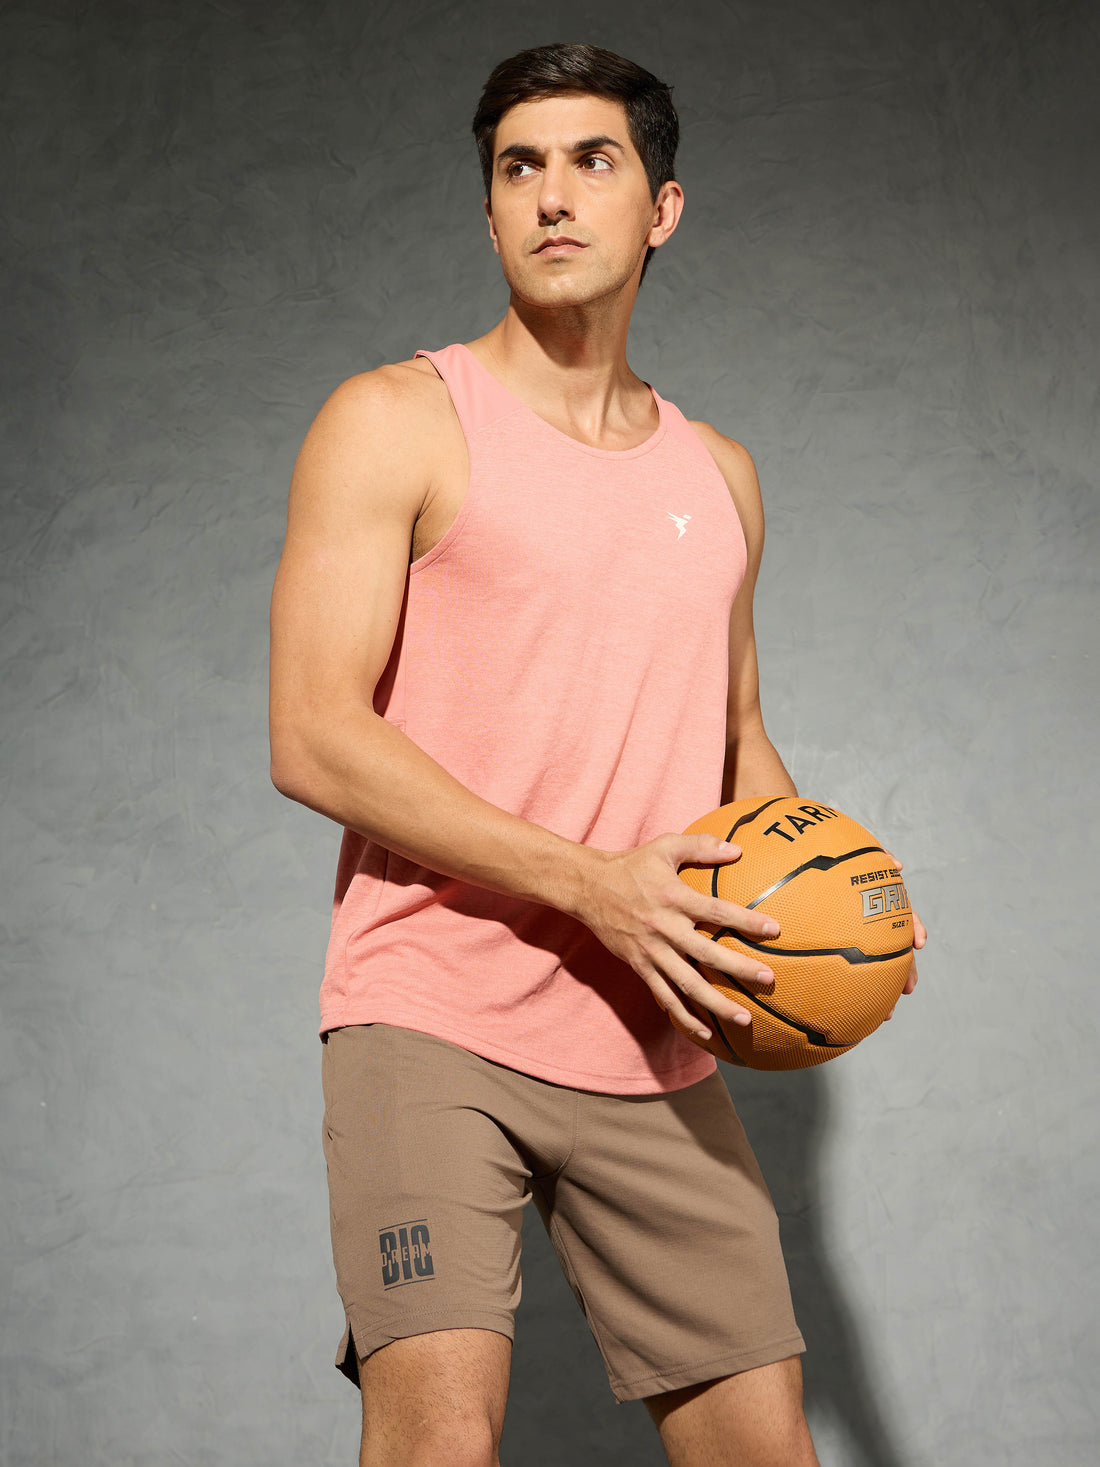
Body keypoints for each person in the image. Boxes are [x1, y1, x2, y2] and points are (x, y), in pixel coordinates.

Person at [268, 40, 924, 1467]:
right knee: (439, 1444)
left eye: (591, 161)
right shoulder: (396, 421)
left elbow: (736, 740)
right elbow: (314, 736)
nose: (552, 196)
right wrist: (594, 884)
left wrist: (841, 903)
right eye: (520, 168)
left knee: (765, 1451)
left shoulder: (719, 474)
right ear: (490, 210)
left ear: (661, 208)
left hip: (652, 1036)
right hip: (432, 1015)